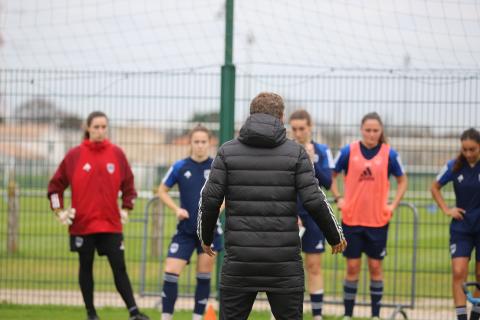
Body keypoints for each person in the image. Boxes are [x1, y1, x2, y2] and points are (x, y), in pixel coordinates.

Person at [197, 92, 347, 320]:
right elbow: (314, 199)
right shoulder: (296, 153)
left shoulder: (227, 151)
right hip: (283, 265)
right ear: (281, 117)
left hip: (240, 262)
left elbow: (209, 199)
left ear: (251, 115)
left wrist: (205, 237)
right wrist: (335, 236)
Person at [47, 111, 149, 320]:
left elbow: (129, 185)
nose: (100, 131)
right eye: (96, 127)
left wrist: (126, 208)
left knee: (119, 267)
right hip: (83, 225)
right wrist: (59, 211)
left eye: (104, 127)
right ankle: (91, 314)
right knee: (86, 267)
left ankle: (134, 312)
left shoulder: (117, 154)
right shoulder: (75, 155)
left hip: (111, 224)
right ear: (88, 128)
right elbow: (54, 187)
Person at [331, 112, 407, 320]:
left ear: (381, 131)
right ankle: (348, 315)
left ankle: (375, 315)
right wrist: (339, 199)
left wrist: (393, 205)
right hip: (352, 220)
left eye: (375, 130)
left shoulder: (389, 154)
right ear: (361, 130)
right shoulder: (348, 151)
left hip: (377, 221)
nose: (372, 134)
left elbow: (403, 181)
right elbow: (331, 175)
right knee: (352, 268)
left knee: (375, 267)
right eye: (368, 130)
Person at [158, 125, 223, 320]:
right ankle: (166, 316)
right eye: (197, 142)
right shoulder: (180, 166)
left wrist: (215, 211)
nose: (200, 146)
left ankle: (197, 317)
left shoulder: (216, 167)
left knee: (203, 275)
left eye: (204, 142)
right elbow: (161, 190)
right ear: (190, 142)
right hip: (185, 230)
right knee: (170, 272)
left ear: (210, 143)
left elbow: (227, 194)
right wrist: (176, 209)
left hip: (209, 231)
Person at [289, 109, 335, 320]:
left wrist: (311, 160)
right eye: (294, 129)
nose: (298, 133)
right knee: (286, 265)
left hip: (314, 216)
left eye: (302, 128)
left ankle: (317, 315)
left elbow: (328, 181)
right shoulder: (285, 150)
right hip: (289, 216)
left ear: (310, 127)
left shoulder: (322, 150)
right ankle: (282, 312)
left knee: (313, 265)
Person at [431, 128, 480, 320]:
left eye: (472, 149)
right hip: (461, 227)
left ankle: (475, 316)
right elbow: (434, 187)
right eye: (465, 149)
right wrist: (446, 209)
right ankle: (461, 318)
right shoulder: (453, 165)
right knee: (459, 271)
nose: (468, 153)